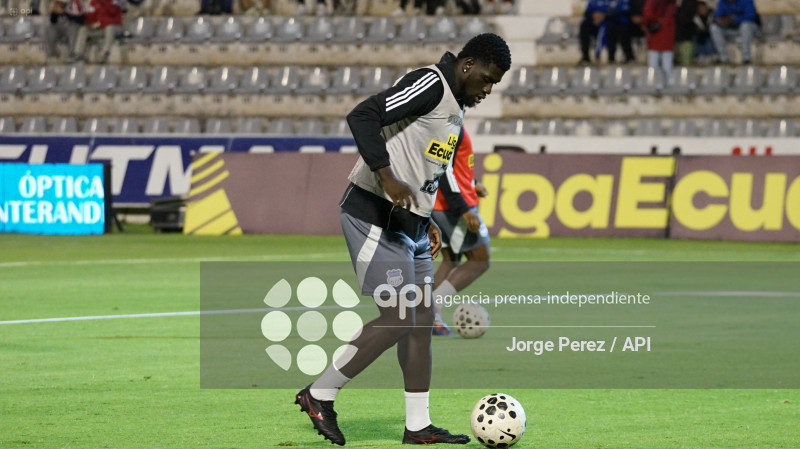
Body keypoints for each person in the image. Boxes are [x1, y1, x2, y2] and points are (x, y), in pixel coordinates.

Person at [294, 33, 511, 446]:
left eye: (494, 85)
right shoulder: (431, 83)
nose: (487, 89)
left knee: (421, 323)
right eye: (486, 79)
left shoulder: (455, 104)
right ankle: (319, 393)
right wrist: (387, 176)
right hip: (374, 215)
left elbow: (425, 164)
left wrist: (426, 215)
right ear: (467, 65)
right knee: (400, 317)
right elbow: (363, 115)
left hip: (411, 225)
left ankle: (417, 425)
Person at [430, 127, 491, 336]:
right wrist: (464, 209)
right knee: (480, 260)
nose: (485, 92)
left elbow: (453, 167)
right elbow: (443, 170)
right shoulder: (450, 124)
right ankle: (432, 310)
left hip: (440, 204)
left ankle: (422, 314)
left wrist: (472, 184)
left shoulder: (448, 122)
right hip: (452, 206)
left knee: (451, 260)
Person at [579, 0, 636, 65]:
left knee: (616, 27)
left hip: (614, 22)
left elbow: (624, 12)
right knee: (584, 26)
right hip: (596, 23)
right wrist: (594, 16)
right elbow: (587, 13)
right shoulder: (593, 1)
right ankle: (585, 58)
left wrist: (605, 16)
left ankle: (614, 58)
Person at [709, 0, 759, 64]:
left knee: (745, 26)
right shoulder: (722, 2)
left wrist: (734, 20)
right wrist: (722, 20)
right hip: (733, 29)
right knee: (714, 28)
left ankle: (746, 58)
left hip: (751, 29)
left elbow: (751, 15)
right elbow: (717, 17)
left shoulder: (746, 1)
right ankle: (724, 59)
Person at [643, 0, 677, 82]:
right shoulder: (672, 3)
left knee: (653, 60)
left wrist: (646, 25)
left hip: (657, 30)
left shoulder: (653, 1)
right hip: (669, 29)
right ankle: (668, 84)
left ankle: (652, 82)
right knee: (667, 62)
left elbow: (648, 15)